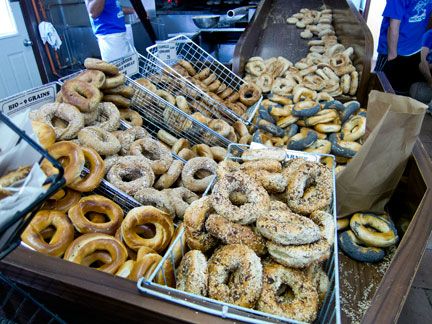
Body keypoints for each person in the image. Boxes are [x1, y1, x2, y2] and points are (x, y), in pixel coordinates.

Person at [374, 0, 432, 95]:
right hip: (393, 51)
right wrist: (392, 57)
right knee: (381, 90)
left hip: (415, 50)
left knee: (402, 92)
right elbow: (393, 25)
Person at [409, 28, 432, 113]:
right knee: (416, 93)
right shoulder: (429, 35)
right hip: (425, 78)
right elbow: (422, 63)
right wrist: (430, 81)